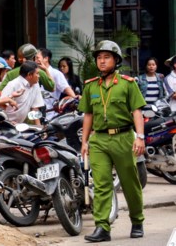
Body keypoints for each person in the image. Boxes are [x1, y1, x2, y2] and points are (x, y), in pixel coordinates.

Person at [79, 40, 145, 242]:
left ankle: (137, 221)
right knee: (101, 184)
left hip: (123, 138)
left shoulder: (127, 84)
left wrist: (140, 137)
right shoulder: (91, 86)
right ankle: (102, 227)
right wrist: (84, 141)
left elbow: (137, 111)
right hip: (99, 139)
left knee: (129, 182)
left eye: (106, 57)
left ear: (116, 60)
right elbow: (88, 114)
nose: (102, 61)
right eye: (99, 57)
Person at [36, 48, 75, 120]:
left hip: (50, 116)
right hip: (35, 115)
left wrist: (60, 105)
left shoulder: (56, 74)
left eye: (37, 58)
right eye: (35, 58)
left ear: (46, 59)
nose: (36, 61)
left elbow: (72, 95)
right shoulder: (34, 73)